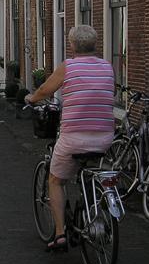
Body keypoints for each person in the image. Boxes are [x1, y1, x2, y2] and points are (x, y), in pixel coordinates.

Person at [24, 25, 115, 252]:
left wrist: (31, 98)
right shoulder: (107, 67)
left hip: (74, 137)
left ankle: (60, 234)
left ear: (72, 45)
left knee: (56, 180)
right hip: (104, 137)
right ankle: (93, 207)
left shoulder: (69, 67)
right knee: (90, 171)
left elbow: (45, 89)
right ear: (95, 44)